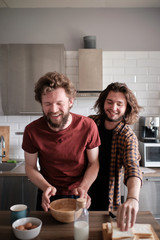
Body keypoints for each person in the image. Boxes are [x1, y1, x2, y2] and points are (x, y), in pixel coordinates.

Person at [22, 71, 100, 212]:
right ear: (41, 103)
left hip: (80, 193)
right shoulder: (31, 130)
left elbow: (94, 163)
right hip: (47, 193)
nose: (53, 109)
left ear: (70, 102)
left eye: (59, 103)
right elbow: (30, 167)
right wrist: (46, 187)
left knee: (78, 232)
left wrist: (84, 187)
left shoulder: (88, 126)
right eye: (47, 104)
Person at [89, 82, 142, 231]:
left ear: (127, 108)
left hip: (108, 202)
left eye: (119, 104)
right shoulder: (90, 123)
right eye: (110, 102)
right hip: (81, 196)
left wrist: (133, 198)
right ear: (103, 102)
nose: (113, 108)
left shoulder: (127, 136)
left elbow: (133, 167)